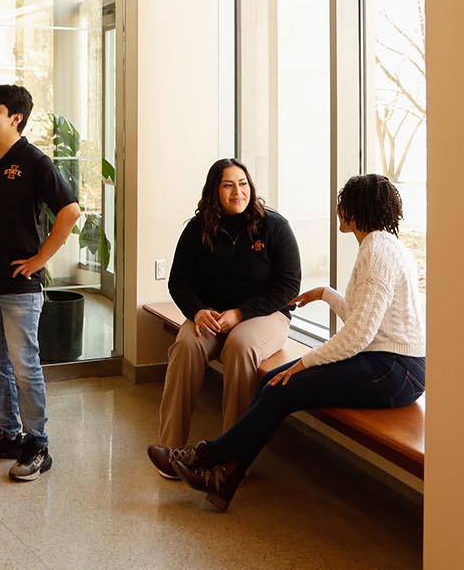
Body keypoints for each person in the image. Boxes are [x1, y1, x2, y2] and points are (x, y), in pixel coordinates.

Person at [156, 174, 425, 511]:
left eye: (343, 203)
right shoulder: (379, 246)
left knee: (284, 385)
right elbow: (364, 317)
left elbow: (359, 335)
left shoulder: (377, 252)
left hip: (396, 370)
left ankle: (206, 457)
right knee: (271, 380)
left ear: (357, 209)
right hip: (387, 363)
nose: (338, 209)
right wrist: (325, 294)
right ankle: (225, 477)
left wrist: (303, 363)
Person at [146, 159, 301, 479]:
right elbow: (179, 281)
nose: (237, 191)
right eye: (228, 185)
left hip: (264, 315)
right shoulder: (197, 228)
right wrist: (197, 311)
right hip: (211, 315)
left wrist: (241, 313)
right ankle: (173, 450)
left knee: (241, 347)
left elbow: (288, 286)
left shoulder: (274, 227)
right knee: (186, 344)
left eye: (243, 184)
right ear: (215, 190)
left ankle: (231, 456)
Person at [0, 84, 81, 482]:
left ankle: (37, 442)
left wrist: (40, 260)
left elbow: (70, 211)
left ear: (15, 117)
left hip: (20, 286)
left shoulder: (34, 162)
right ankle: (8, 433)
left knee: (24, 365)